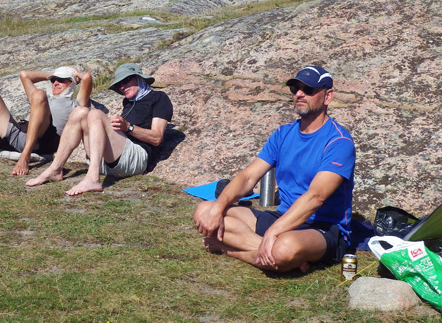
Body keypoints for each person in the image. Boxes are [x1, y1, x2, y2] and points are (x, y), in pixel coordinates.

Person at [193, 66, 355, 273]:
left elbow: (316, 198)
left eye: (308, 89)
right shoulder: (283, 133)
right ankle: (276, 255)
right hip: (283, 217)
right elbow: (248, 177)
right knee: (204, 211)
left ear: (327, 96)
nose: (299, 94)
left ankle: (233, 249)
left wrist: (273, 231)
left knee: (285, 247)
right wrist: (218, 207)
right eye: (295, 89)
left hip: (323, 227)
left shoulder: (339, 142)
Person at [26, 63, 173, 195]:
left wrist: (128, 127)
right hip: (110, 161)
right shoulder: (128, 102)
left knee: (96, 114)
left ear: (139, 78)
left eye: (126, 80)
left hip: (136, 159)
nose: (122, 86)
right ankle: (55, 169)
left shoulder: (158, 98)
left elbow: (156, 138)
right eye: (119, 85)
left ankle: (92, 178)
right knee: (80, 112)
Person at [0, 66, 93, 175]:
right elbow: (24, 75)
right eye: (53, 80)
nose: (55, 83)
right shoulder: (42, 100)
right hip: (21, 133)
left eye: (61, 80)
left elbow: (87, 77)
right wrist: (55, 73)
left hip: (43, 140)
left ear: (72, 83)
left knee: (39, 94)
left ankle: (25, 157)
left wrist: (75, 72)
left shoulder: (77, 104)